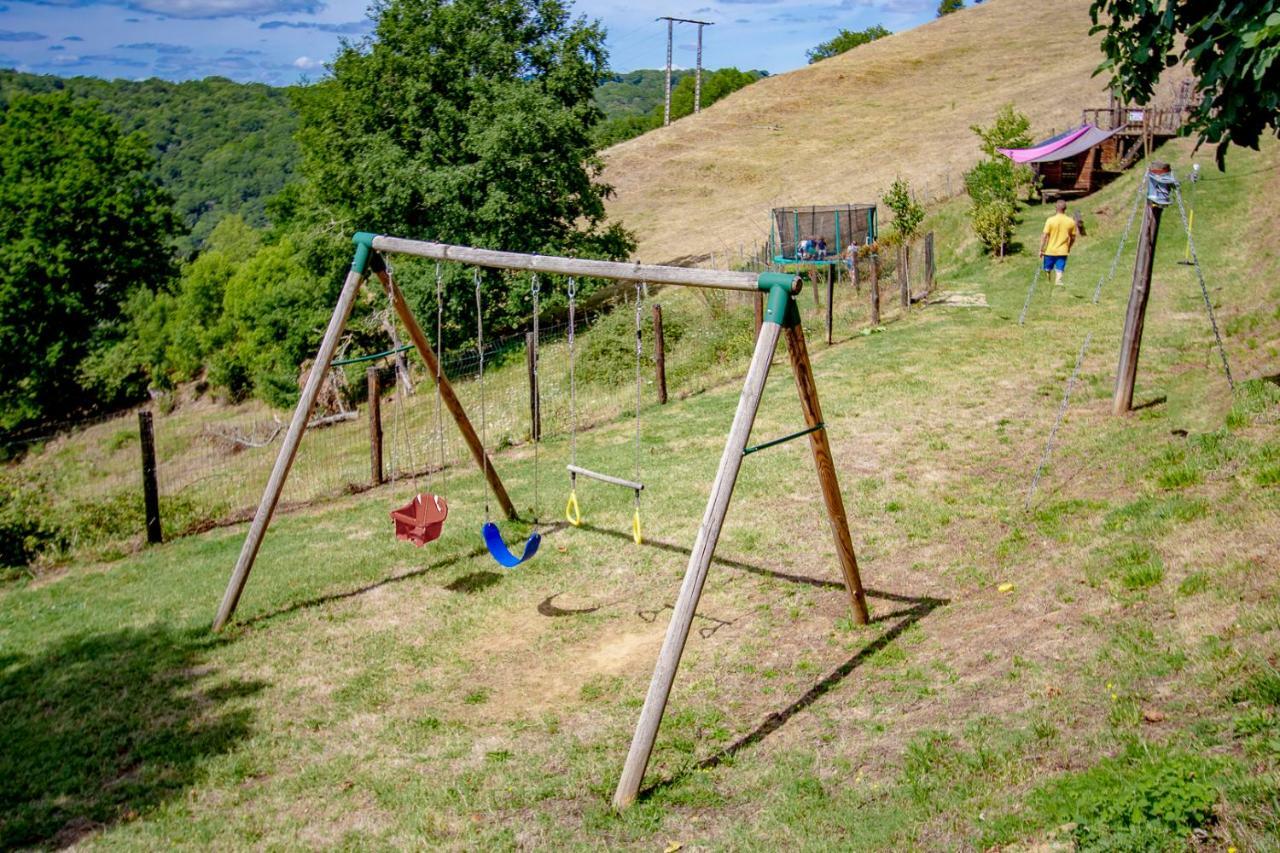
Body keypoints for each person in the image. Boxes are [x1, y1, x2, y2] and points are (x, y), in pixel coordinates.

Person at [1039, 199, 1078, 286]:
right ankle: (1058, 281)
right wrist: (1069, 246)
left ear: (1056, 208)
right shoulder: (1070, 221)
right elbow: (1073, 237)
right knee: (1060, 268)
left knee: (1047, 268)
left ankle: (1048, 282)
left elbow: (1044, 236)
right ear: (1065, 209)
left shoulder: (1050, 220)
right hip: (1063, 250)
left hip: (1050, 250)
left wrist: (1041, 249)